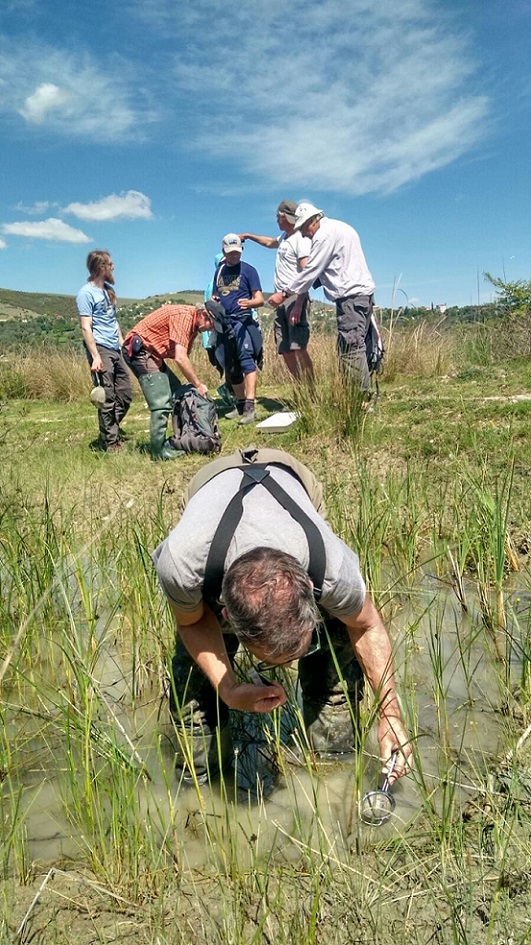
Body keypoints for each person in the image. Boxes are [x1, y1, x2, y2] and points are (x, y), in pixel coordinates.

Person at [152, 447, 412, 787]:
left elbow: (366, 625)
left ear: (310, 585)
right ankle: (202, 787)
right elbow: (193, 623)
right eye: (269, 663)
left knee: (335, 663)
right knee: (195, 693)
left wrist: (390, 714)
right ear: (226, 615)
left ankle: (335, 767)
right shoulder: (183, 564)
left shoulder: (331, 567)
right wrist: (229, 688)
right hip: (212, 483)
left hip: (290, 476)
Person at [267, 203, 375, 393]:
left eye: (303, 228)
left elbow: (311, 270)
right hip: (360, 295)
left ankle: (360, 398)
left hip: (350, 297)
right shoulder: (341, 227)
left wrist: (284, 294)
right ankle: (356, 394)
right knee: (355, 346)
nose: (303, 234)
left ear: (313, 220)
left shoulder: (324, 235)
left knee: (351, 349)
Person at [122, 302, 215, 460]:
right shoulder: (184, 317)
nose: (211, 329)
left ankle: (181, 436)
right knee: (161, 403)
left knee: (176, 391)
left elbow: (182, 355)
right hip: (140, 352)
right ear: (203, 315)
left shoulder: (193, 326)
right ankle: (158, 452)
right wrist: (198, 385)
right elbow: (180, 358)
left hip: (153, 354)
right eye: (211, 324)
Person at [240, 200, 314, 383]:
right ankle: (300, 390)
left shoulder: (300, 239)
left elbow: (306, 273)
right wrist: (249, 236)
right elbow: (270, 242)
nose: (277, 221)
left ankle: (311, 392)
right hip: (280, 300)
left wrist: (296, 302)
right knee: (285, 348)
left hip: (294, 297)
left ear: (285, 217)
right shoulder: (284, 238)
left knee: (298, 347)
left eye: (278, 217)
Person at [76, 250, 132, 453]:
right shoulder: (86, 293)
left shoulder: (107, 291)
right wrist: (96, 356)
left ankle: (110, 431)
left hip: (115, 348)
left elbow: (113, 320)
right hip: (99, 348)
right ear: (101, 267)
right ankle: (110, 443)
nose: (113, 267)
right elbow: (85, 327)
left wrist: (122, 342)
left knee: (125, 394)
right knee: (107, 396)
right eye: (110, 264)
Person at [210, 234, 264, 425]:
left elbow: (260, 299)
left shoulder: (249, 271)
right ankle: (240, 404)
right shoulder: (219, 271)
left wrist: (249, 303)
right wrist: (214, 302)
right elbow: (216, 295)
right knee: (230, 366)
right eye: (231, 253)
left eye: (237, 252)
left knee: (247, 361)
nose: (234, 256)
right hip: (224, 324)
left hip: (242, 322)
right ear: (224, 251)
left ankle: (250, 406)